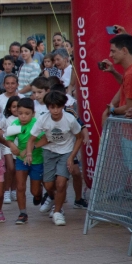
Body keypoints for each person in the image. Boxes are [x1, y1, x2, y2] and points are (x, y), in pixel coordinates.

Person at [27, 91, 84, 227]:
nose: (56, 110)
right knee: (48, 184)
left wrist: (71, 157)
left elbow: (79, 137)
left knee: (61, 183)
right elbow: (31, 139)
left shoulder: (70, 119)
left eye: (58, 107)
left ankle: (58, 212)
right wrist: (29, 153)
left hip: (66, 152)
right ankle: (54, 198)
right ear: (48, 107)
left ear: (63, 106)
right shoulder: (43, 119)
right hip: (49, 152)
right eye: (52, 107)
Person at [4, 98, 43, 224]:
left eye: (27, 113)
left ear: (33, 113)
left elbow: (44, 140)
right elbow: (8, 139)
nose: (23, 116)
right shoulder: (15, 124)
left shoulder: (38, 124)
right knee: (20, 186)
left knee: (34, 190)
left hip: (37, 160)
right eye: (20, 113)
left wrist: (30, 149)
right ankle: (22, 213)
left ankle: (39, 194)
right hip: (21, 160)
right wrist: (12, 146)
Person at [102, 34, 132, 122]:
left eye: (113, 51)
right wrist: (114, 72)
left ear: (124, 50)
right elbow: (126, 86)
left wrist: (112, 110)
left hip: (131, 131)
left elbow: (130, 107)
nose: (110, 55)